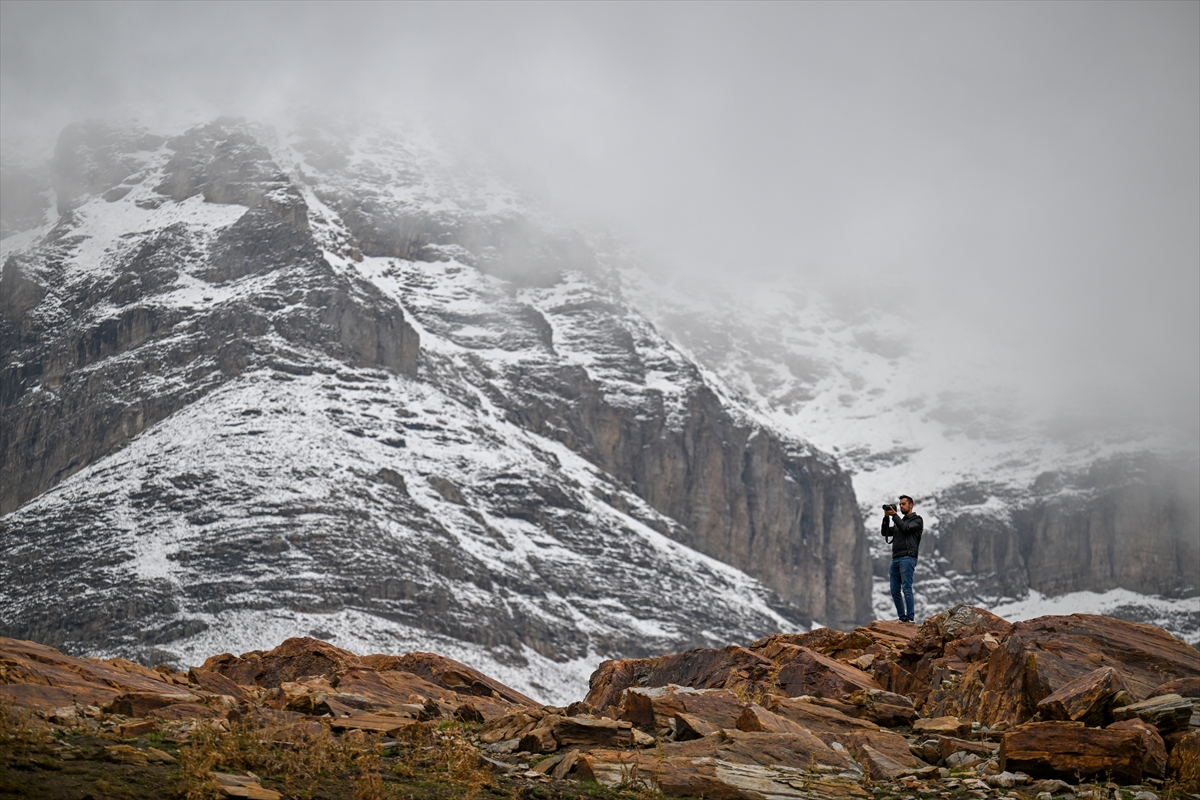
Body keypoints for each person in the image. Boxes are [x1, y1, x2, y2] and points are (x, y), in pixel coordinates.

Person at [882, 494, 922, 623]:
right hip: (896, 559)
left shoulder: (917, 520)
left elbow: (905, 529)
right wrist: (886, 517)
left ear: (911, 505)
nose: (901, 506)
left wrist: (894, 515)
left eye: (903, 504)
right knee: (894, 591)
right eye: (900, 504)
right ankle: (902, 618)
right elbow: (885, 532)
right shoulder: (900, 522)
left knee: (906, 587)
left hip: (908, 557)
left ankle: (910, 617)